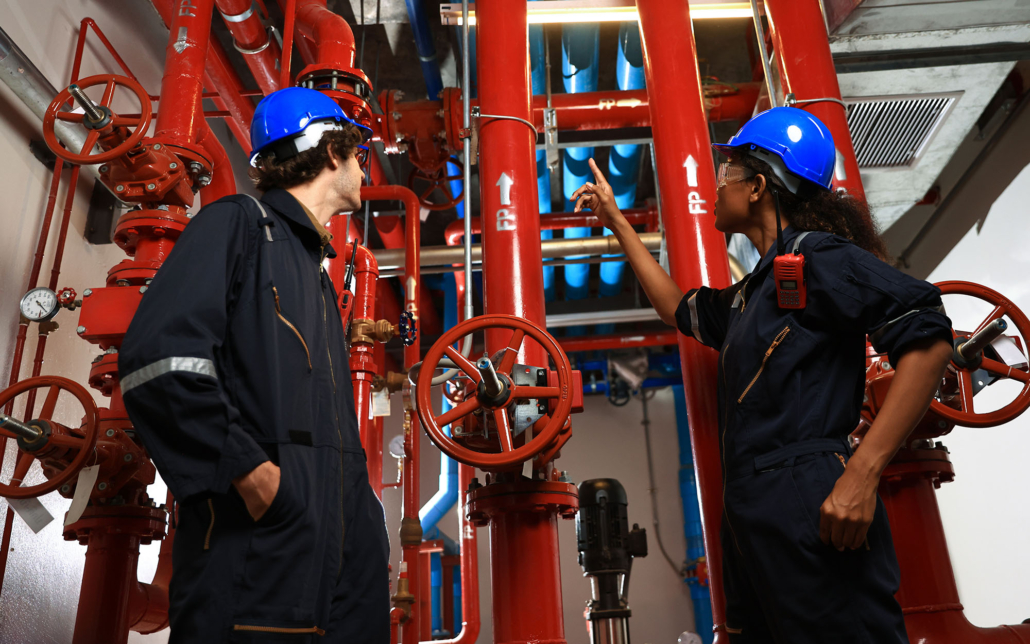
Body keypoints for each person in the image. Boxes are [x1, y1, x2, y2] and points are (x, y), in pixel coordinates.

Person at [572, 107, 955, 643]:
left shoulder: (818, 256)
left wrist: (862, 474)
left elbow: (929, 335)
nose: (717, 184)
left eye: (726, 171)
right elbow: (678, 308)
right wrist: (617, 221)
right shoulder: (755, 291)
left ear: (757, 187)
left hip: (808, 489)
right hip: (752, 503)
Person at [119, 87, 389, 643]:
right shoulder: (241, 225)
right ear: (331, 151)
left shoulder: (313, 272)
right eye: (358, 154)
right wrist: (249, 472)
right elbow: (161, 361)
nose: (363, 169)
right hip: (258, 558)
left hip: (338, 567)